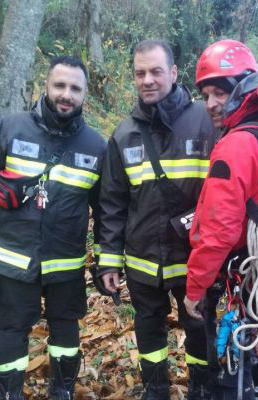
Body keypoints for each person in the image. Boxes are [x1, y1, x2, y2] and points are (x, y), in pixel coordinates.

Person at [0, 56, 105, 399]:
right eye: (60, 86)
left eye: (74, 88)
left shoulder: (97, 147)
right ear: (46, 86)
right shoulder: (10, 129)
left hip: (66, 266)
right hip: (12, 263)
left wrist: (105, 258)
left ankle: (62, 390)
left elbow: (107, 209)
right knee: (9, 332)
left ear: (84, 95)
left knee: (66, 333)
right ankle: (10, 393)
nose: (66, 95)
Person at [95, 39, 216, 399]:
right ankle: (156, 388)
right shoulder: (123, 134)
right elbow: (112, 203)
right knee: (148, 329)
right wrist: (108, 261)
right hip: (143, 259)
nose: (147, 80)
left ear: (174, 73)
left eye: (156, 71)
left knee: (200, 326)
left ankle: (202, 388)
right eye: (140, 73)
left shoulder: (206, 121)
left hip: (195, 259)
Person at [184, 39, 258, 400]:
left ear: (243, 89)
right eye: (206, 95)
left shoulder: (237, 144)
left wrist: (194, 288)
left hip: (237, 277)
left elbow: (218, 230)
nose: (211, 104)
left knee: (231, 364)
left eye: (220, 93)